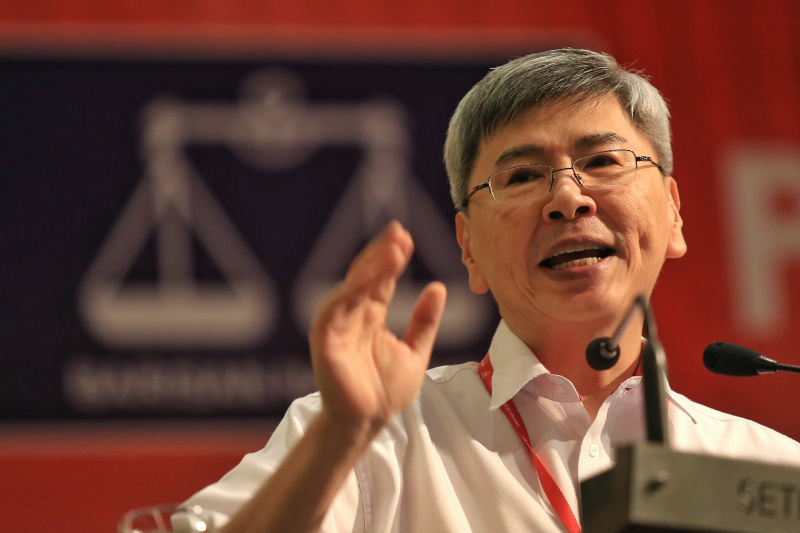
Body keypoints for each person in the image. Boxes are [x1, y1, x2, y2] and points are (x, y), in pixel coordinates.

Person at [186, 48, 800, 533]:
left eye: (604, 162)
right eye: (523, 176)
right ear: (468, 248)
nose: (567, 197)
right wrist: (339, 441)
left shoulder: (772, 471)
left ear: (673, 212)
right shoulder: (372, 439)